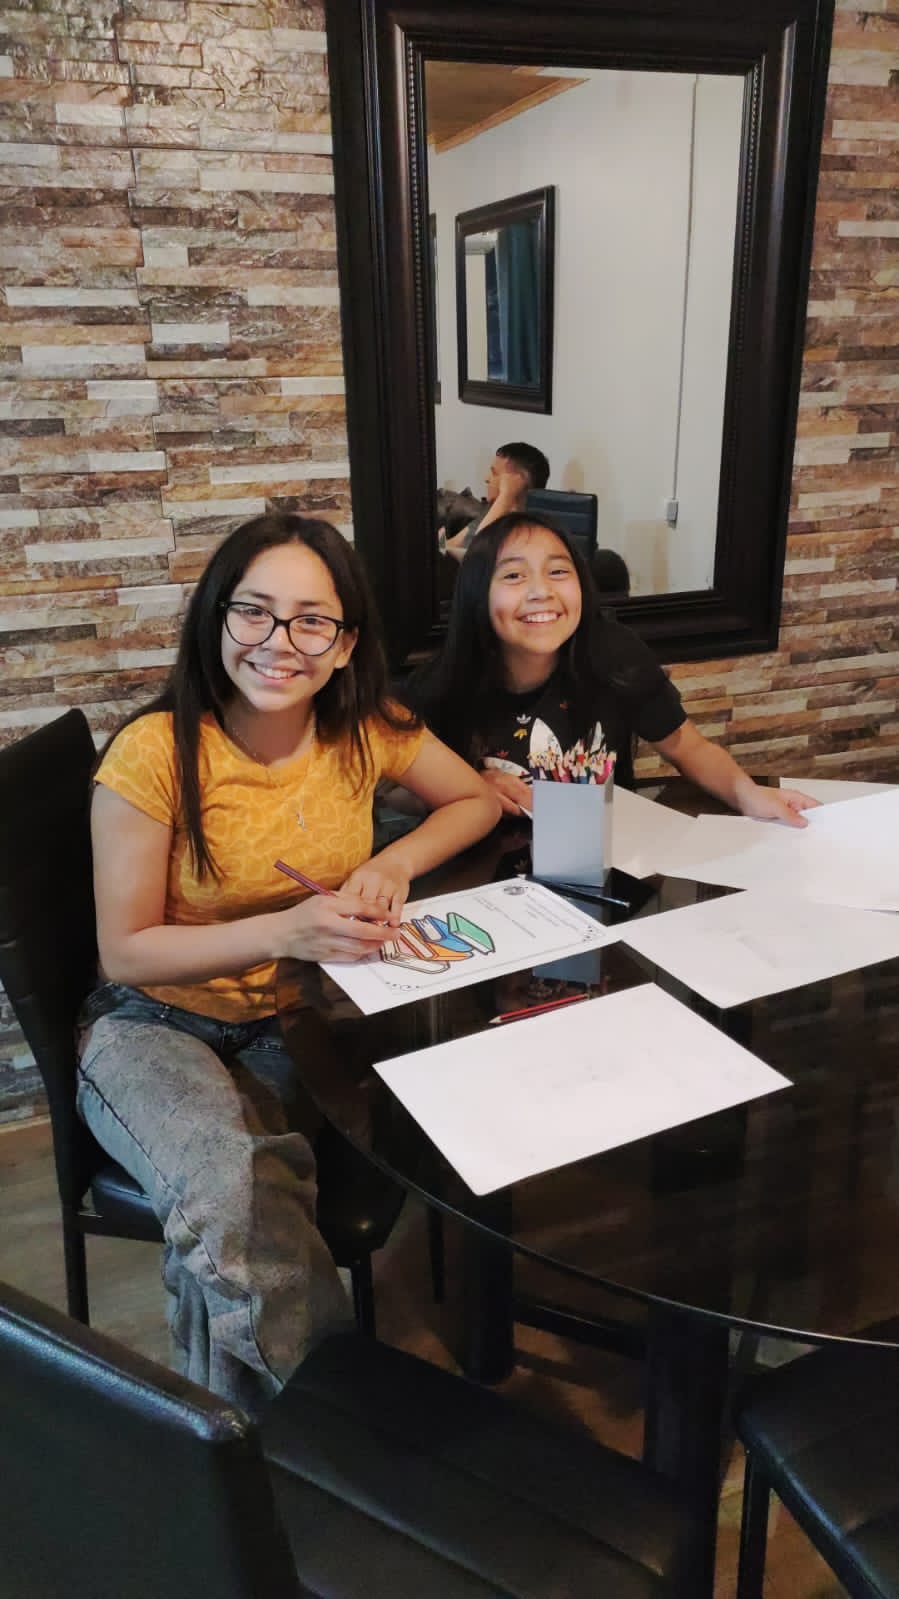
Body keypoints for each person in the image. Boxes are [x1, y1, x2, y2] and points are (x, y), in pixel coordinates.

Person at [77, 511, 501, 1417]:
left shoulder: (365, 728)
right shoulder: (153, 752)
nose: (279, 641)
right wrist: (286, 932)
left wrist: (392, 862)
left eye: (312, 620)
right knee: (233, 1189)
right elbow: (126, 949)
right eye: (255, 611)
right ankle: (340, 1430)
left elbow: (473, 800)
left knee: (235, 1203)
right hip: (152, 1023)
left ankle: (241, 1454)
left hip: (292, 1023)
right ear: (215, 618)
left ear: (345, 644)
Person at [408, 510, 818, 824]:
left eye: (558, 572)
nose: (541, 591)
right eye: (514, 575)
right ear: (477, 596)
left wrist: (748, 795)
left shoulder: (614, 654)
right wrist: (464, 786)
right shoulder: (440, 686)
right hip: (488, 875)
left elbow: (688, 747)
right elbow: (395, 790)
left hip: (607, 864)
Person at [438, 442, 550, 564]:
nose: (487, 478)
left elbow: (474, 557)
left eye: (494, 473)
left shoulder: (523, 529)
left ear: (515, 481)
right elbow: (450, 546)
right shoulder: (488, 512)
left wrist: (506, 496)